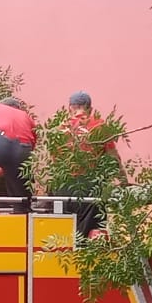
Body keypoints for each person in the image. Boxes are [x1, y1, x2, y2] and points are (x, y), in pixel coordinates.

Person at [50, 91, 123, 237]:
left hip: (63, 187)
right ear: (90, 108)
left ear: (70, 107)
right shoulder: (99, 126)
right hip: (90, 187)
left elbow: (54, 162)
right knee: (94, 232)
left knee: (64, 233)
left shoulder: (59, 130)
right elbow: (113, 158)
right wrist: (123, 181)